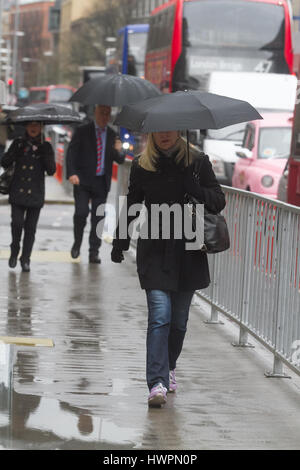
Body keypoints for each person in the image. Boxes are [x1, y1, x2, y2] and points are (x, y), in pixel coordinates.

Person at [111, 130, 226, 407]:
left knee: (179, 322)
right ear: (151, 134)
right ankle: (157, 383)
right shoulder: (142, 164)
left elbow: (218, 200)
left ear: (179, 130)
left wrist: (195, 188)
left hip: (189, 250)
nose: (164, 135)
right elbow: (133, 204)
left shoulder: (198, 162)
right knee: (160, 317)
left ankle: (169, 366)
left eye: (170, 128)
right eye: (158, 130)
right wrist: (120, 241)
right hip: (155, 250)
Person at [66, 105, 125, 264]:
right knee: (81, 213)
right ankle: (77, 243)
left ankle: (94, 252)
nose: (104, 117)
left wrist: (119, 150)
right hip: (82, 180)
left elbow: (119, 159)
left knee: (98, 218)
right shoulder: (82, 130)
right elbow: (71, 153)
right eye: (101, 113)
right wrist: (72, 173)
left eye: (107, 114)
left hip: (101, 182)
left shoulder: (113, 135)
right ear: (95, 113)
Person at [1, 121, 56, 272]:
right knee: (17, 224)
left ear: (41, 127)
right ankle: (14, 250)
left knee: (30, 229)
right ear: (26, 127)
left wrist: (44, 153)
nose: (33, 128)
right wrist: (15, 151)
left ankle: (26, 259)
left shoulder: (46, 146)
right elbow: (4, 162)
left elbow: (51, 170)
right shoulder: (18, 143)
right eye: (30, 125)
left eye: (37, 125)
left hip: (35, 193)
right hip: (18, 191)